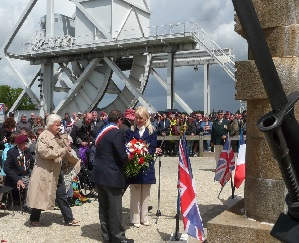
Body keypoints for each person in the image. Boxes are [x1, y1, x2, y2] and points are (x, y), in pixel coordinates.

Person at [26, 114, 80, 227]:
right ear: (50, 125)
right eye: (57, 125)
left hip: (56, 170)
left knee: (61, 194)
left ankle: (68, 218)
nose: (59, 127)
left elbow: (66, 147)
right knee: (40, 194)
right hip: (44, 171)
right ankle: (34, 218)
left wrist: (63, 137)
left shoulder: (58, 135)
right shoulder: (43, 137)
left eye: (60, 125)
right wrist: (61, 151)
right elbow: (44, 153)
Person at [91, 110, 133, 243]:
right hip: (111, 175)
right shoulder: (116, 132)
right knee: (115, 209)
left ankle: (107, 237)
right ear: (119, 120)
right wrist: (131, 155)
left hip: (99, 174)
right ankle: (118, 238)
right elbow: (122, 156)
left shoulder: (101, 131)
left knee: (103, 208)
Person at [125, 106, 158, 228]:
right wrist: (135, 155)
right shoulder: (130, 131)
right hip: (134, 164)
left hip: (146, 164)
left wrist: (143, 154)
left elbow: (153, 147)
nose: (138, 120)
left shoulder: (152, 131)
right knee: (135, 190)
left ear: (146, 119)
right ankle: (135, 218)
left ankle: (144, 217)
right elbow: (127, 146)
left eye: (141, 118)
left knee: (146, 191)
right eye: (137, 118)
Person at [4, 134, 34, 209]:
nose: (26, 145)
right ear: (18, 144)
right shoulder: (12, 152)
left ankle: (36, 204)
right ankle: (27, 204)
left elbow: (32, 162)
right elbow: (7, 168)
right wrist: (17, 179)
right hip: (15, 177)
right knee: (30, 183)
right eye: (24, 144)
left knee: (36, 181)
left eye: (26, 143)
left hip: (26, 175)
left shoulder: (27, 151)